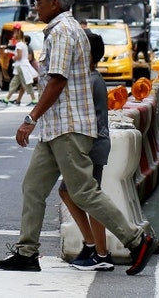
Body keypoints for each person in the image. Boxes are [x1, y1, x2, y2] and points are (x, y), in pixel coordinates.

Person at [0, 0, 159, 277]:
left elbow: (57, 80)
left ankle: (137, 241)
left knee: (83, 191)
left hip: (68, 127)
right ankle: (27, 252)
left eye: (40, 2)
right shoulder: (66, 31)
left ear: (54, 3)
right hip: (57, 127)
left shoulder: (63, 33)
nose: (37, 7)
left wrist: (30, 119)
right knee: (34, 187)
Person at [61, 30, 111, 271]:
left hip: (91, 146)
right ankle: (93, 246)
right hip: (89, 145)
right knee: (70, 192)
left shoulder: (90, 80)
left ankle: (99, 252)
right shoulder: (87, 78)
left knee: (90, 198)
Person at [1, 25, 38, 106]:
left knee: (26, 84)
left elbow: (19, 56)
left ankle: (34, 100)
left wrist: (14, 57)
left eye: (14, 33)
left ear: (18, 34)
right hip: (21, 66)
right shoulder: (22, 44)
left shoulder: (19, 45)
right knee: (14, 83)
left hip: (21, 66)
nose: (13, 35)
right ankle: (6, 99)